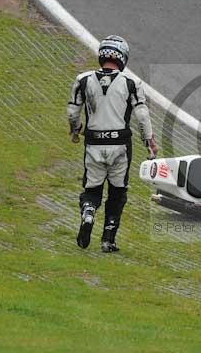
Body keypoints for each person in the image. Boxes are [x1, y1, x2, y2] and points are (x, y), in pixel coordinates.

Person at [67, 35, 158, 252]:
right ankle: (108, 238)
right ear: (123, 57)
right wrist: (149, 141)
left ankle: (88, 212)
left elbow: (72, 110)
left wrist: (75, 131)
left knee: (92, 188)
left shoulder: (83, 79)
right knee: (118, 192)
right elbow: (142, 115)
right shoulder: (131, 83)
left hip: (93, 143)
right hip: (120, 145)